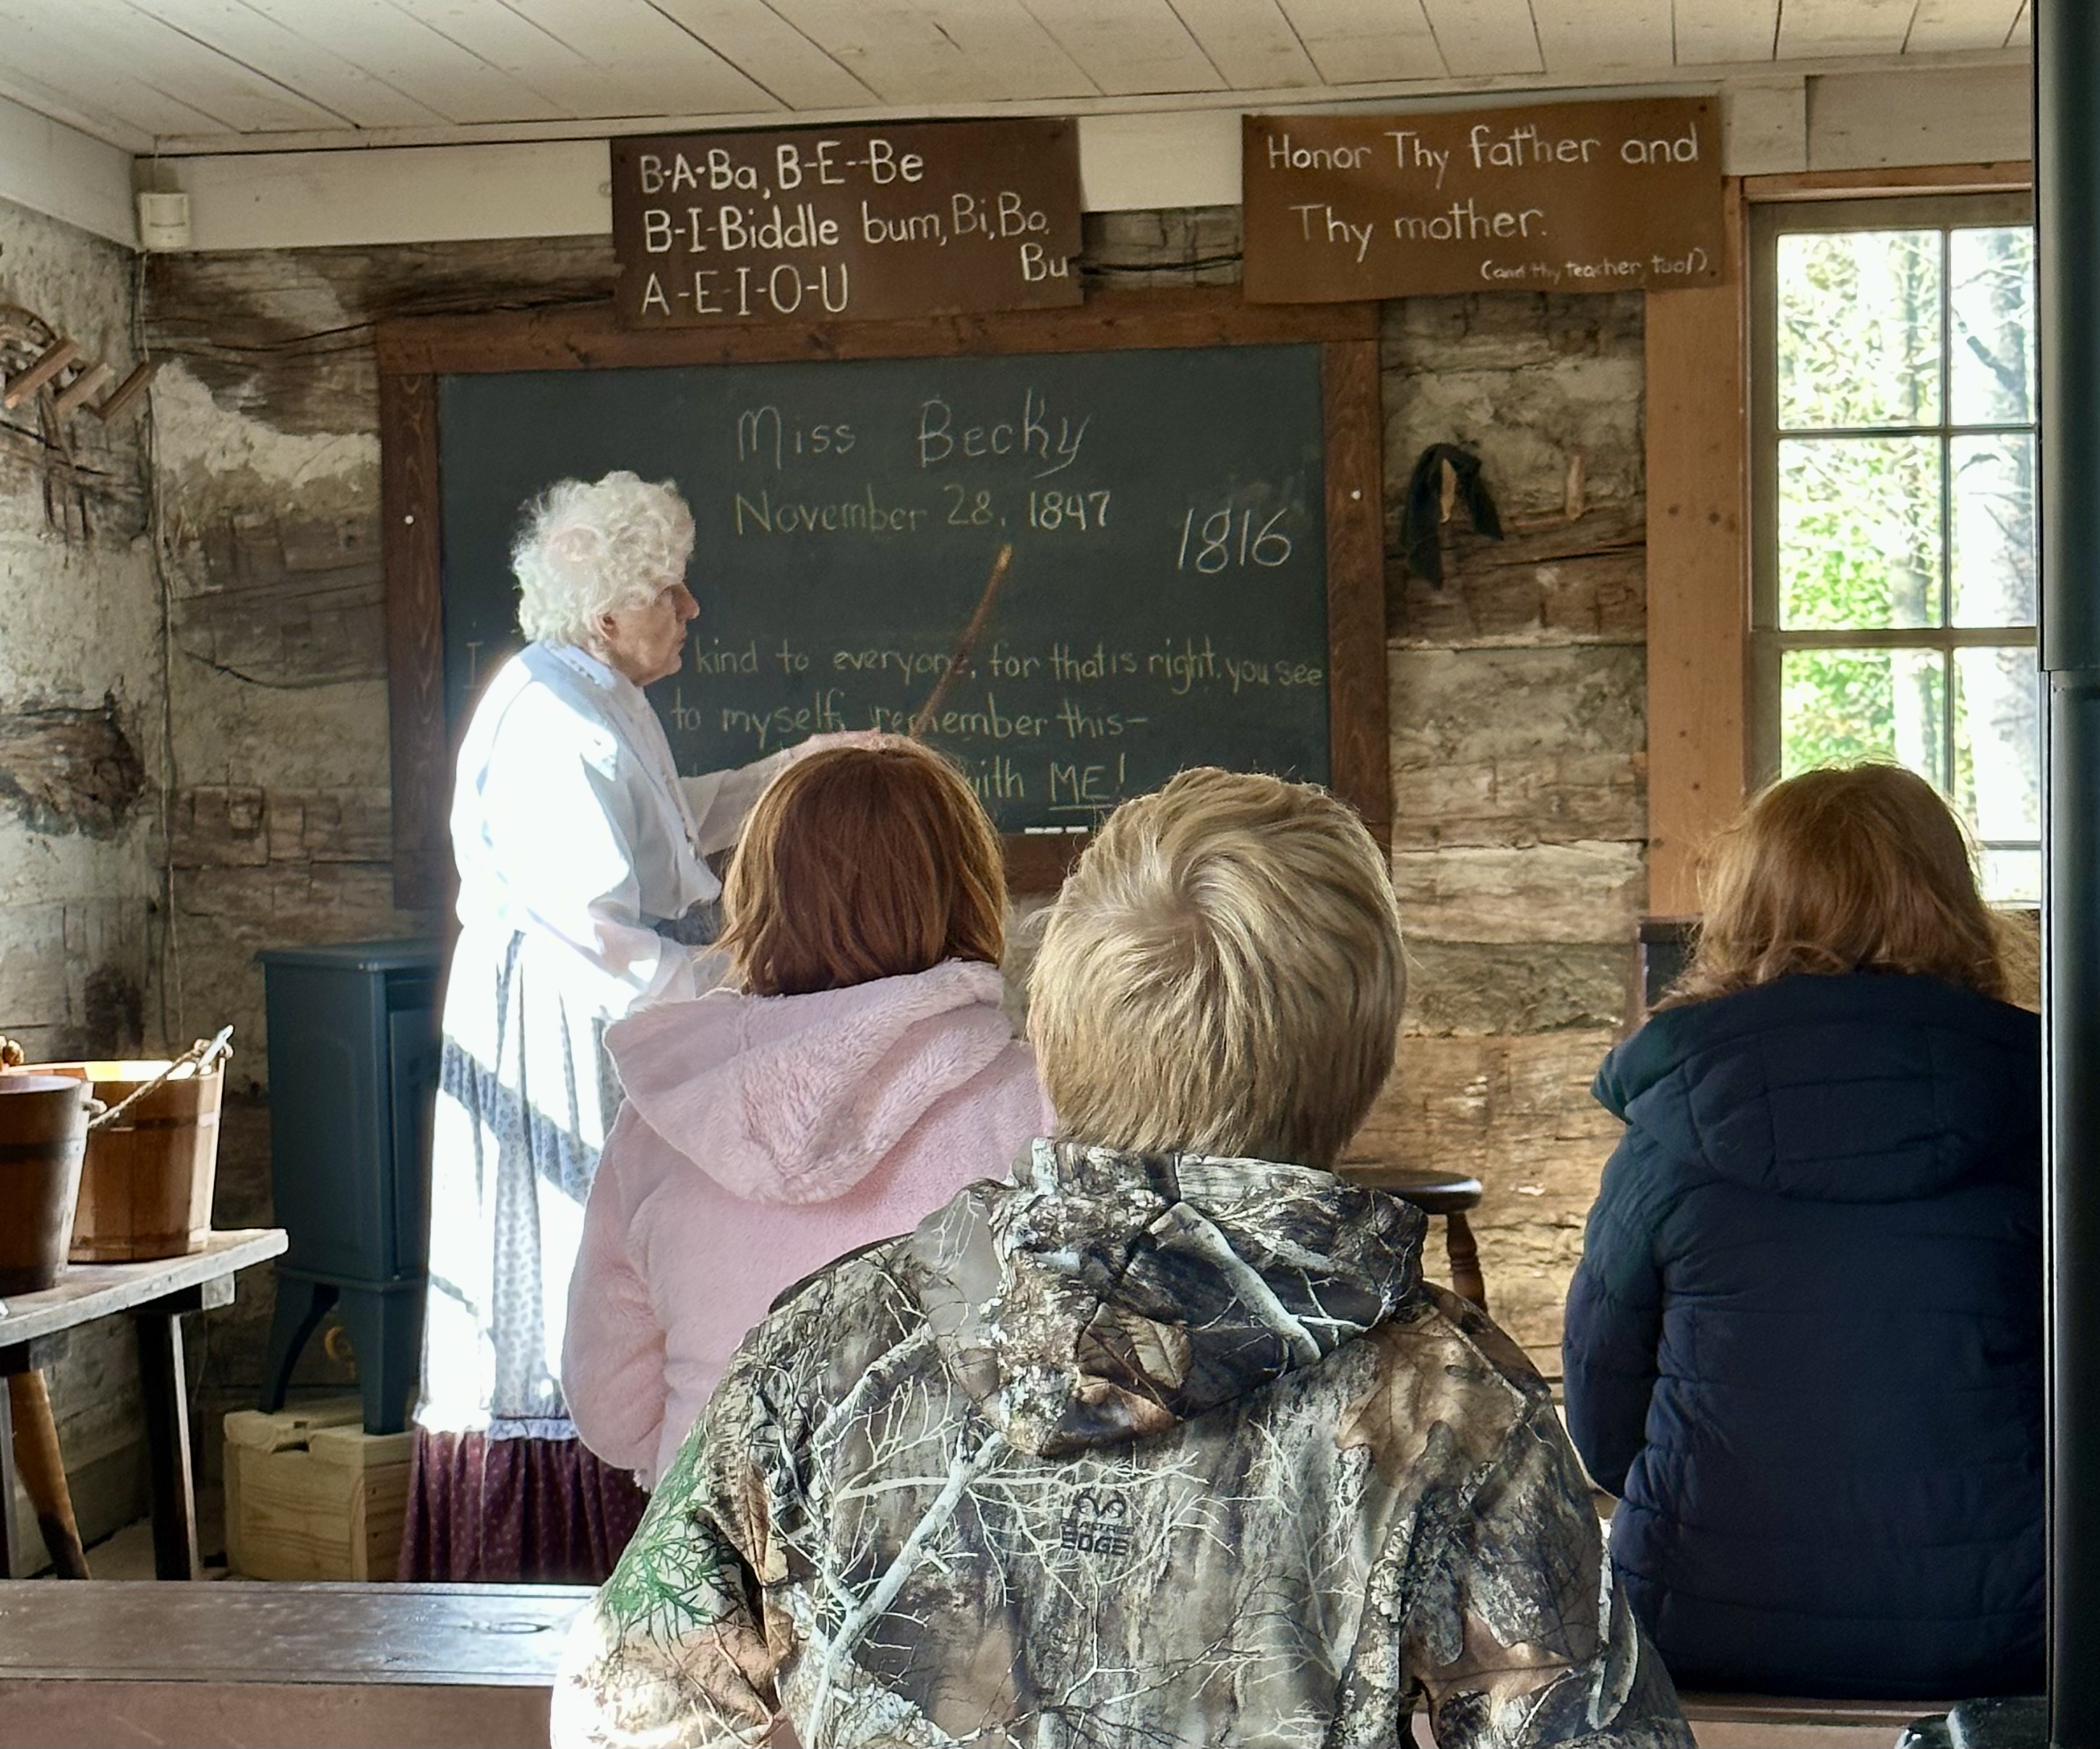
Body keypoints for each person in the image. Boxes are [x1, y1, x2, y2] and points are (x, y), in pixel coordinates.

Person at [554, 768, 1691, 1749]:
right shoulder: (1446, 1405)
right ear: (1367, 1057)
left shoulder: (829, 1349)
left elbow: (624, 1699)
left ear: (1053, 1027)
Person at [406, 470, 857, 1583]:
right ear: (605, 610)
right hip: (560, 1020)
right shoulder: (554, 713)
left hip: (598, 998)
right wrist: (718, 977)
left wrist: (778, 777)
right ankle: (561, 1560)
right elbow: (588, 924)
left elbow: (658, 821)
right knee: (575, 1253)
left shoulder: (596, 692)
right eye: (670, 589)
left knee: (611, 1243)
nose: (691, 608)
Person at [1563, 764, 2042, 1698]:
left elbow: (1599, 1408)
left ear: (1743, 910)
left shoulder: (1671, 1132)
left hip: (1702, 1619)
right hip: (1996, 1629)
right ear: (1953, 903)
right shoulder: (2049, 1120)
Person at [561, 737, 1049, 1487]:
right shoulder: (1034, 1105)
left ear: (759, 900)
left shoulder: (664, 1117)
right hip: (959, 1579)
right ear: (970, 892)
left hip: (720, 1573)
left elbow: (612, 1412)